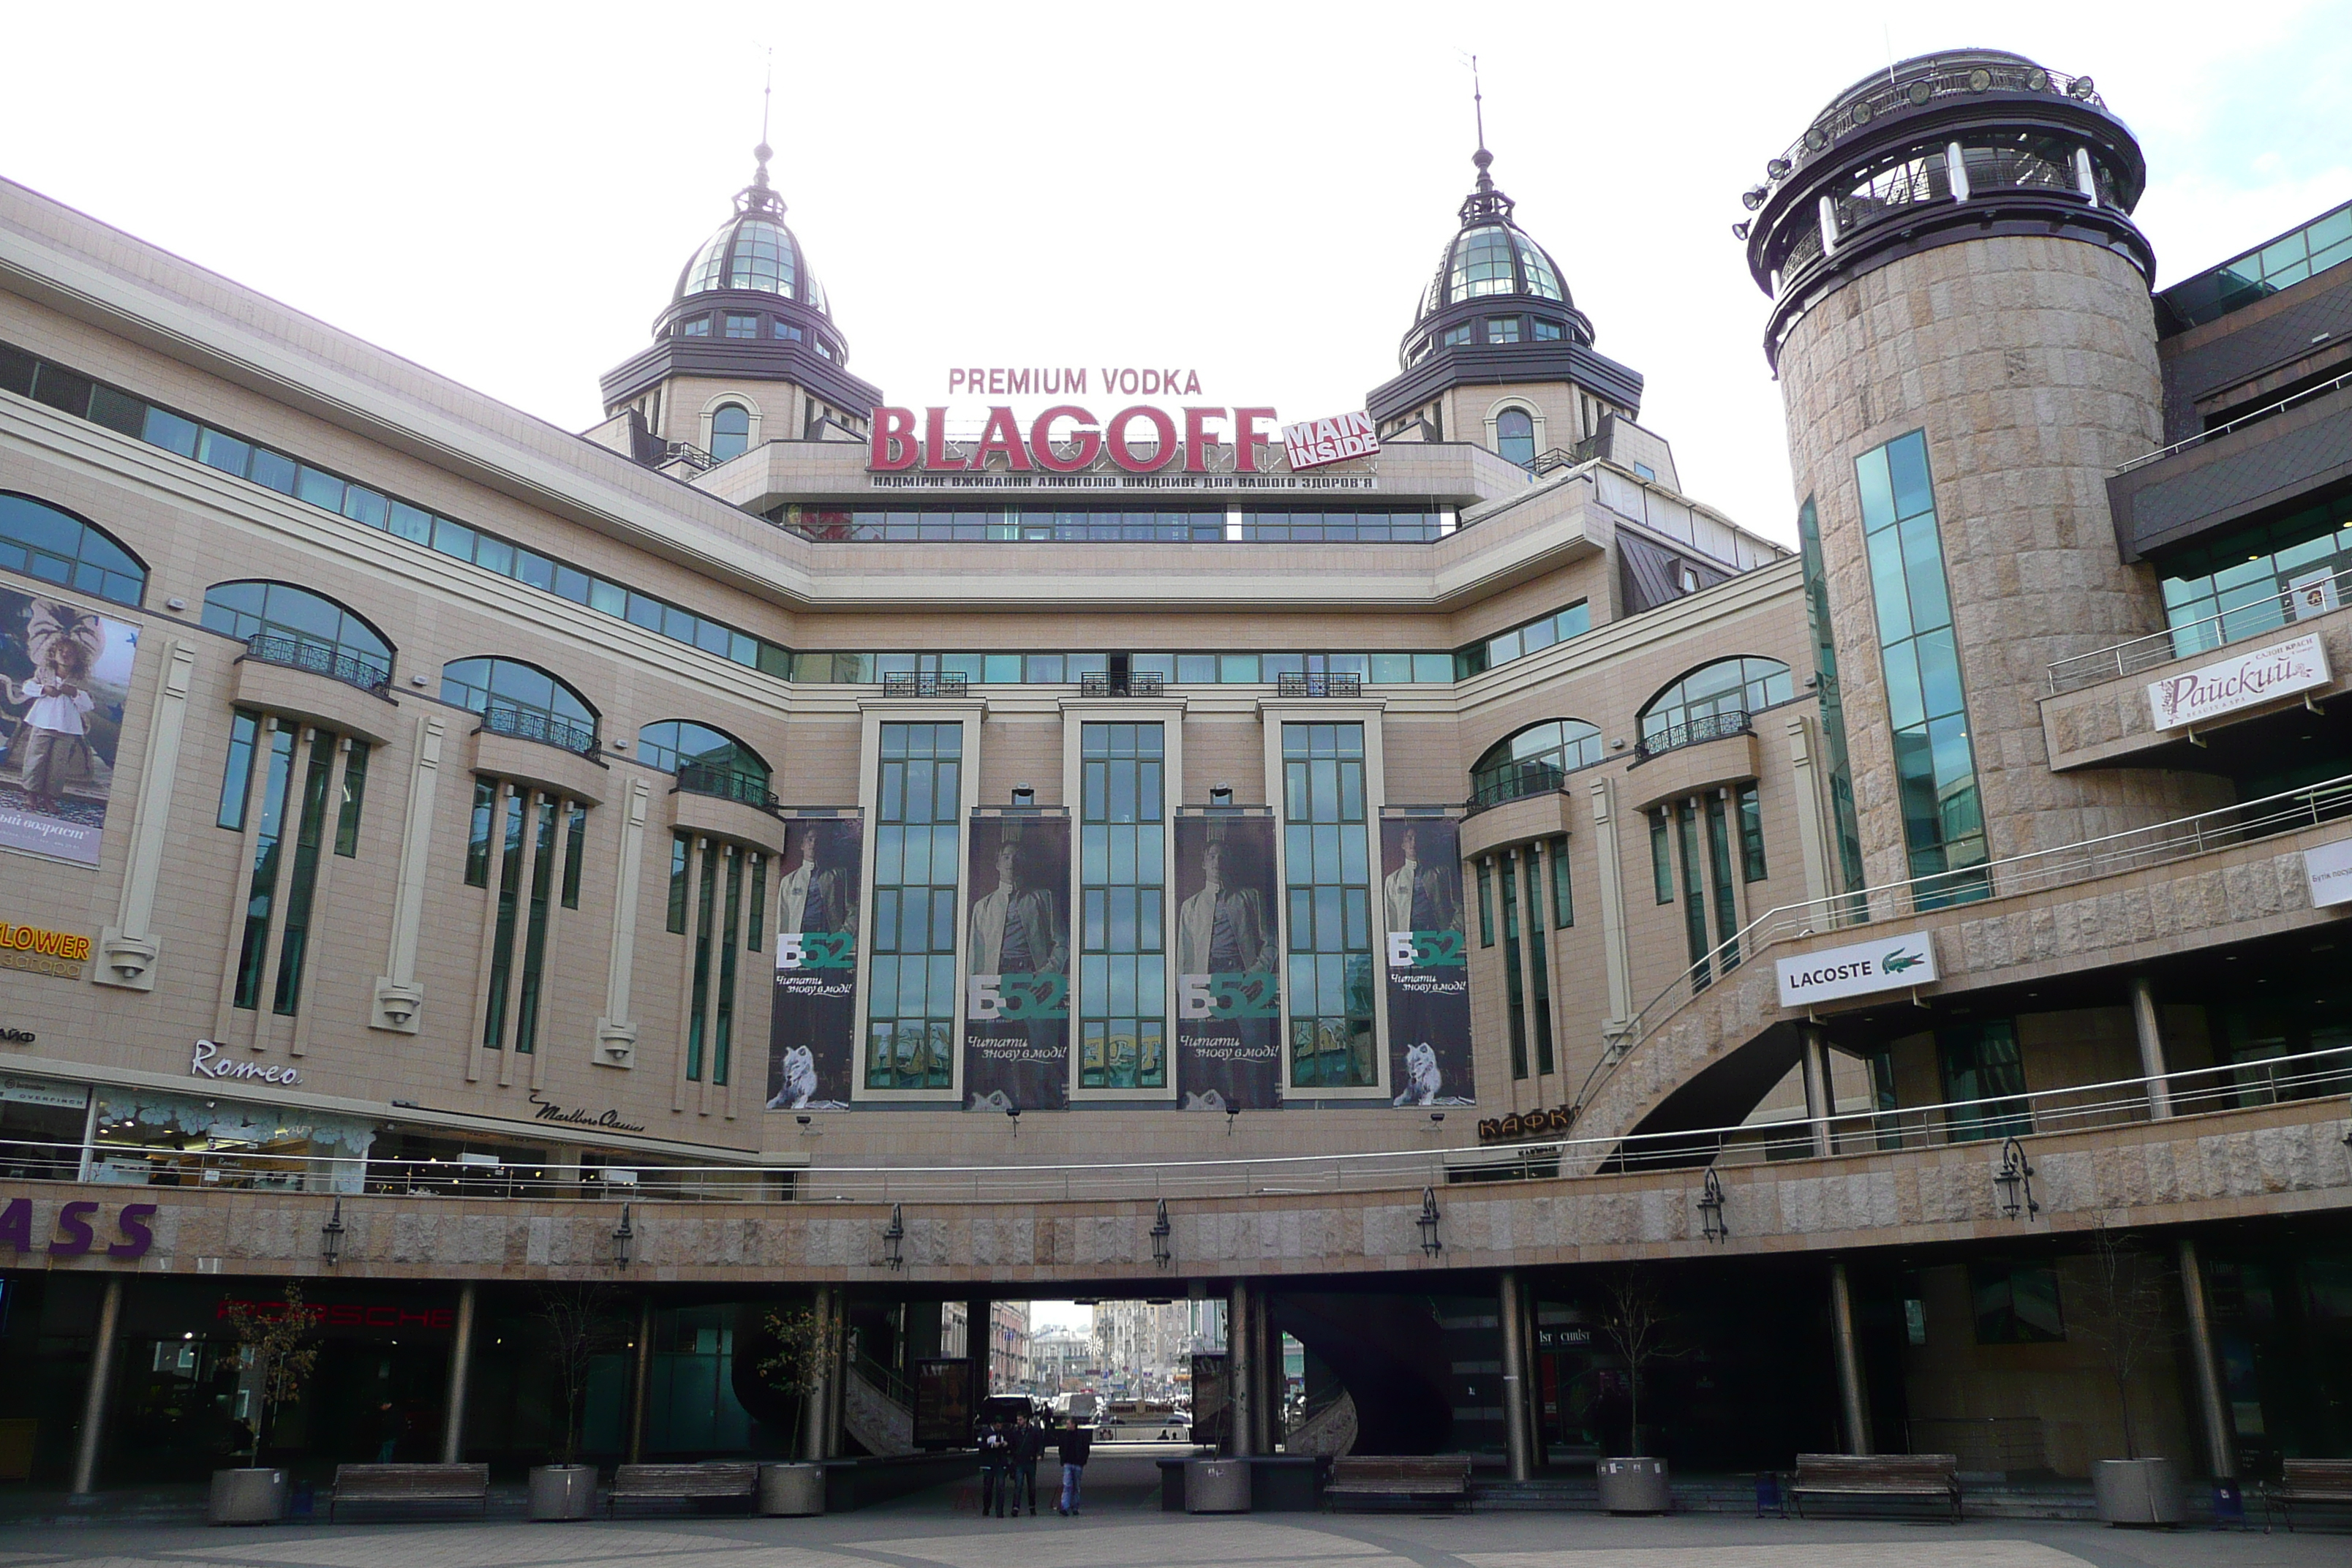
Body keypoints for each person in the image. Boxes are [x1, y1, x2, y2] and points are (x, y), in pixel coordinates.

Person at [1055, 1414, 1092, 1516]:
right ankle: (1065, 1507)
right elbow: (1061, 1449)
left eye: (1068, 1424)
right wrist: (1063, 1459)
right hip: (1068, 1463)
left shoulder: (1081, 1436)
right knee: (1067, 1485)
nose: (1067, 1426)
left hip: (1078, 1464)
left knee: (1076, 1486)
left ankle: (1075, 1506)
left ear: (1074, 1425)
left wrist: (1083, 1460)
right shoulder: (1064, 1436)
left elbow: (1086, 1449)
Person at [1008, 1411, 1043, 1517]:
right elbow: (1012, 1445)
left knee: (1032, 1486)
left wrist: (1040, 1454)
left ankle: (1032, 1507)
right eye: (1018, 1420)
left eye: (1020, 1420)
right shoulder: (1015, 1432)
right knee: (1018, 1485)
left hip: (1031, 1461)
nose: (1018, 1422)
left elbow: (1040, 1443)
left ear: (1026, 1420)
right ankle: (1015, 1507)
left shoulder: (1034, 1431)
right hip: (1019, 1462)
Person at [977, 1417, 1009, 1517]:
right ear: (994, 1424)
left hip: (1000, 1463)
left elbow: (1011, 1443)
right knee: (988, 1487)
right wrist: (991, 1446)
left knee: (1000, 1487)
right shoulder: (985, 1432)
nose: (1000, 1427)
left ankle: (1000, 1511)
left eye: (1001, 1425)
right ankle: (986, 1507)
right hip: (988, 1464)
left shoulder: (1003, 1433)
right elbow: (980, 1445)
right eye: (998, 1425)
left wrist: (1006, 1445)